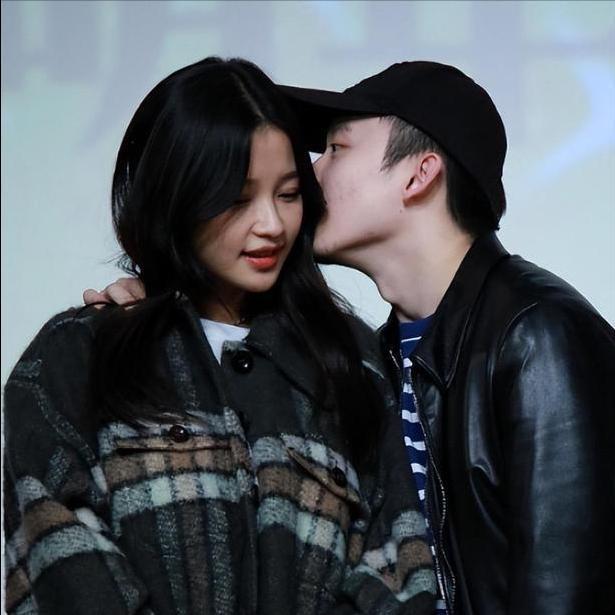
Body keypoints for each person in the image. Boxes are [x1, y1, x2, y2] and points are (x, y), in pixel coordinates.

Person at [89, 60, 615, 614]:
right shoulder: (366, 358)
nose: (309, 174)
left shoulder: (538, 336)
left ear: (418, 175)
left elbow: (569, 593)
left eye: (336, 149)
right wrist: (164, 315)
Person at [3, 57, 439, 615]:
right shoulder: (76, 356)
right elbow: (58, 555)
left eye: (288, 194)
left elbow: (399, 570)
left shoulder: (350, 362)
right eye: (236, 199)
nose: (271, 225)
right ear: (175, 195)